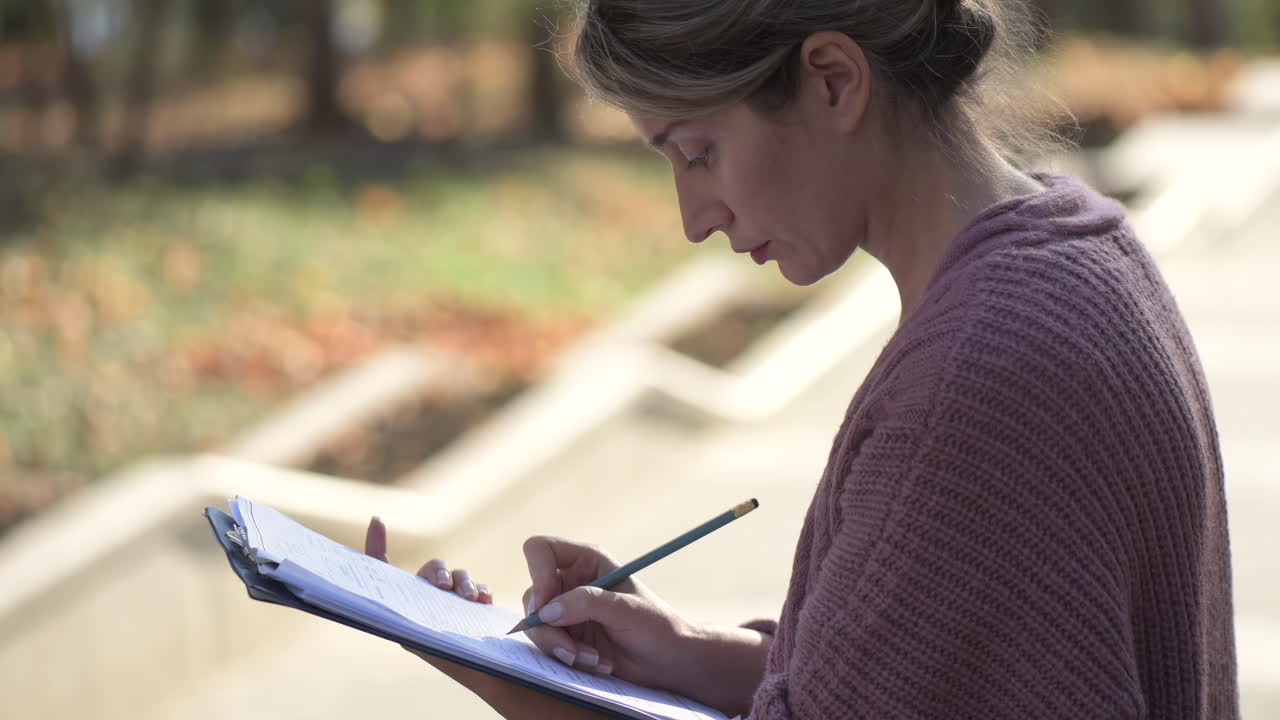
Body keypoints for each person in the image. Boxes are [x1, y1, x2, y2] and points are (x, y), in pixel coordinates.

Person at [364, 0, 1239, 717]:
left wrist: (512, 685)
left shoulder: (980, 375)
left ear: (831, 80)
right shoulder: (1078, 247)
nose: (693, 217)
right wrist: (684, 654)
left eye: (699, 153)